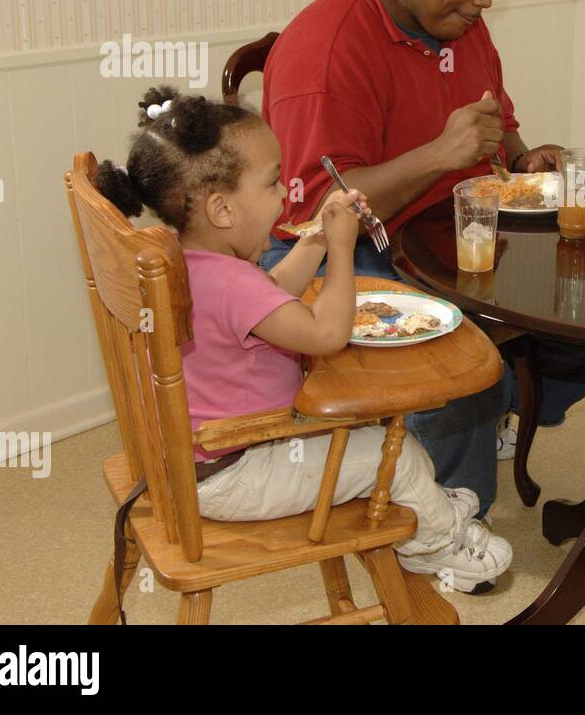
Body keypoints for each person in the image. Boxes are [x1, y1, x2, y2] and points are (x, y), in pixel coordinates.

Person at [258, 0, 585, 515]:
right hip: (344, 252)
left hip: (456, 230)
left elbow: (496, 123)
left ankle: (501, 407)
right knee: (461, 362)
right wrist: (440, 155)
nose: (484, 1)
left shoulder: (455, 20)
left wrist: (522, 156)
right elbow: (318, 213)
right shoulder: (327, 48)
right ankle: (454, 520)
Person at [95, 86, 512, 593]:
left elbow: (267, 296)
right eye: (272, 183)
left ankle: (430, 502)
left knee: (382, 452)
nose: (285, 194)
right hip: (237, 471)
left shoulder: (193, 264)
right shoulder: (229, 281)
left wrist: (314, 238)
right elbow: (327, 335)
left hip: (198, 461)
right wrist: (340, 247)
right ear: (222, 209)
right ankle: (437, 545)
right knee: (394, 454)